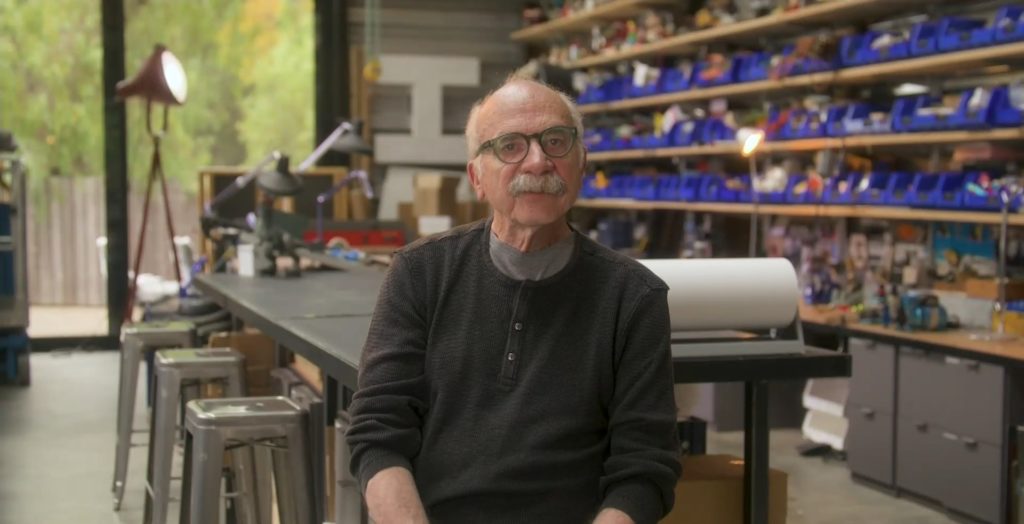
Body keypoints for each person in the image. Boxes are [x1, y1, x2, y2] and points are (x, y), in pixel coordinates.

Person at [346, 77, 680, 524]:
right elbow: (377, 433)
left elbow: (645, 468)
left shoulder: (634, 297)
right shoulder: (419, 272)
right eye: (510, 146)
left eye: (556, 141)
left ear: (581, 163)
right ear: (476, 178)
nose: (538, 161)